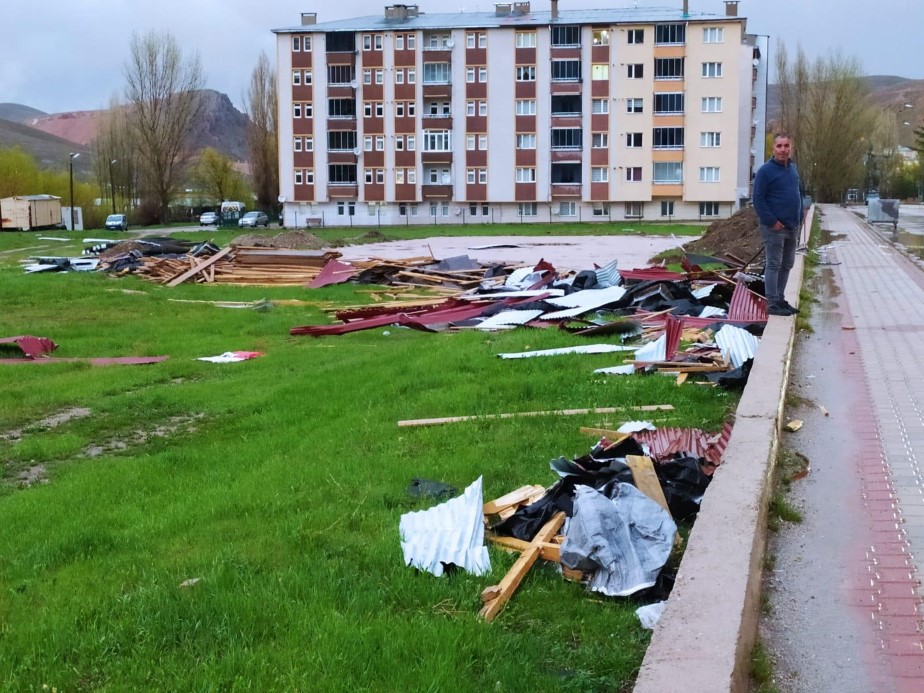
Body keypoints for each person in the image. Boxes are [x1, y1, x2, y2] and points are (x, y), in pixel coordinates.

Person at [753, 132, 804, 316]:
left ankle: (780, 299)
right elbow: (758, 199)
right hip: (775, 228)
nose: (783, 150)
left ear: (791, 148)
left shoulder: (792, 168)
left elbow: (798, 193)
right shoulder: (765, 171)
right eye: (779, 146)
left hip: (792, 226)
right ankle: (772, 303)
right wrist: (772, 222)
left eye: (786, 146)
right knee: (774, 264)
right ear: (773, 148)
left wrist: (799, 216)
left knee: (787, 264)